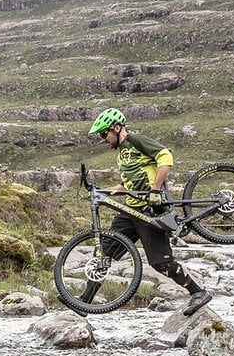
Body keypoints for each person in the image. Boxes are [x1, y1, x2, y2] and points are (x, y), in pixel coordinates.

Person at [85, 107, 212, 316]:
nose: (103, 139)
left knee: (161, 264)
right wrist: (105, 192)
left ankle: (198, 293)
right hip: (129, 211)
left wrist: (155, 189)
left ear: (117, 128)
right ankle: (84, 302)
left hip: (150, 210)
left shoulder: (136, 141)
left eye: (104, 134)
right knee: (102, 254)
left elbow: (165, 157)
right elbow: (129, 184)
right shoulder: (122, 154)